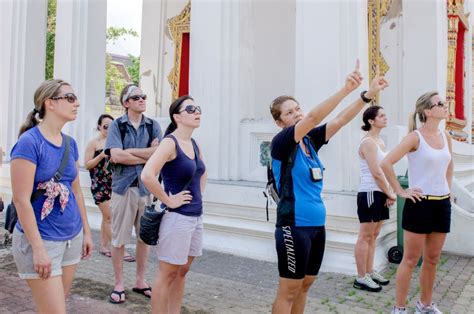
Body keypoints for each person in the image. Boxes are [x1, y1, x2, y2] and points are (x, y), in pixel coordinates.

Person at [269, 62, 388, 314]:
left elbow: (341, 120)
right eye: (289, 113)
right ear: (280, 123)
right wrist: (345, 89)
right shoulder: (282, 143)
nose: (297, 114)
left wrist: (365, 96)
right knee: (289, 289)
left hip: (316, 226)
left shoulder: (310, 141)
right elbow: (314, 117)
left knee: (306, 284)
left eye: (297, 108)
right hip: (293, 225)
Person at [10, 79, 93, 313]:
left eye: (75, 98)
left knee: (53, 308)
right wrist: (37, 248)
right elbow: (21, 200)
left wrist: (86, 232)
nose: (76, 103)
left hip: (71, 237)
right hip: (41, 239)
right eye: (69, 98)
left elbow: (76, 191)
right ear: (50, 103)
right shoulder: (29, 143)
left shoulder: (70, 144)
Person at [381, 92, 453, 314]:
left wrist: (448, 189)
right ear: (427, 112)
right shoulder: (415, 138)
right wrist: (401, 190)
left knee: (432, 259)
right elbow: (386, 162)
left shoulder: (446, 136)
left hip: (442, 204)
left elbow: (449, 165)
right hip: (419, 203)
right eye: (439, 104)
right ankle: (400, 308)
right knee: (411, 259)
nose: (445, 105)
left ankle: (425, 305)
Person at [142, 95, 207, 314]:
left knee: (182, 272)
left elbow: (202, 172)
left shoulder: (194, 143)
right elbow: (148, 175)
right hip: (177, 218)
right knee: (168, 273)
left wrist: (199, 196)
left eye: (197, 108)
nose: (196, 112)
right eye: (190, 109)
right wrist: (169, 199)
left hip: (195, 216)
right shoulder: (170, 142)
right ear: (177, 117)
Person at [105, 84, 163, 303]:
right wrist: (146, 155)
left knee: (143, 238)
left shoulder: (153, 126)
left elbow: (159, 155)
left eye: (143, 96)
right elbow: (116, 157)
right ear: (125, 103)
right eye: (136, 97)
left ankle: (140, 280)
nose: (141, 100)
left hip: (146, 188)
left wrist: (128, 152)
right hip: (123, 188)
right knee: (119, 238)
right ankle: (119, 283)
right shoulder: (117, 126)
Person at [353, 105, 396, 292]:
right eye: (381, 116)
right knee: (365, 236)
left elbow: (385, 170)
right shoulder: (368, 142)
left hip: (380, 192)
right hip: (370, 192)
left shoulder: (380, 142)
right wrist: (390, 192)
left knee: (374, 235)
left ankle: (370, 271)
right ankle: (361, 277)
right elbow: (376, 172)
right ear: (371, 121)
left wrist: (388, 192)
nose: (385, 118)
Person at [85, 114, 137, 260]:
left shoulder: (116, 143)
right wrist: (101, 155)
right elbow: (87, 164)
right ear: (99, 127)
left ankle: (103, 246)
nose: (108, 129)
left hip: (114, 183)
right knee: (110, 217)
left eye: (111, 126)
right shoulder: (94, 143)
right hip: (99, 184)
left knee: (106, 217)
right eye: (105, 126)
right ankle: (119, 250)